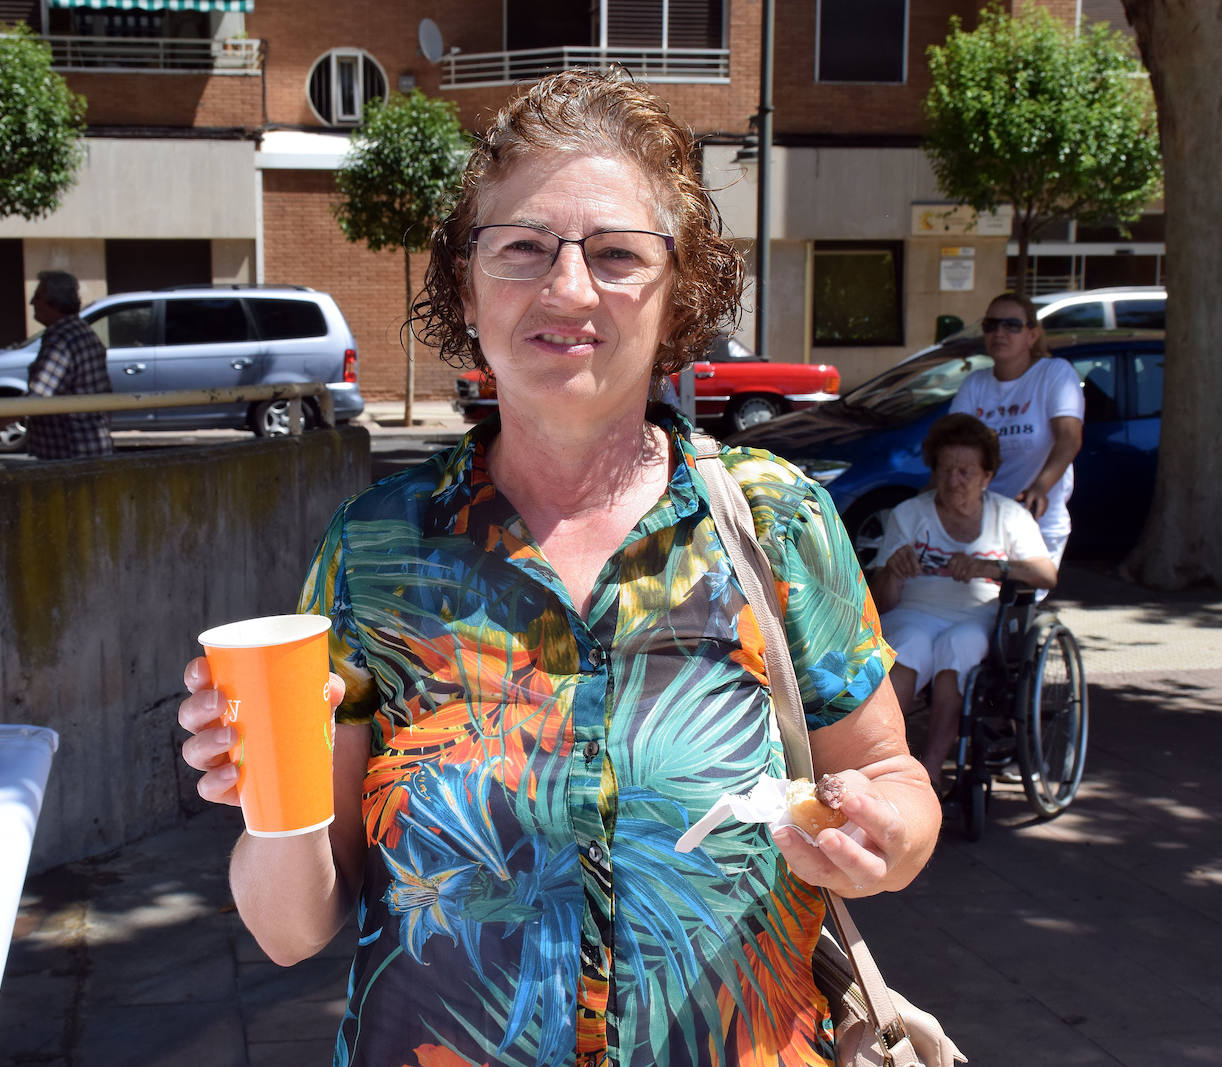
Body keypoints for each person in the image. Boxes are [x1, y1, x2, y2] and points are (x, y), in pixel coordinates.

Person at [179, 69, 939, 1066]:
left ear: (679, 295)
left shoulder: (776, 520)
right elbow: (290, 927)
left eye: (618, 254)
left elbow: (889, 775)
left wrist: (883, 834)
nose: (567, 288)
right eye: (524, 248)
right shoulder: (375, 551)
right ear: (466, 281)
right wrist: (268, 795)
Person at [870, 414, 1057, 791]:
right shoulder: (910, 514)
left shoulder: (1008, 515)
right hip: (915, 610)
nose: (954, 480)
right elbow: (881, 603)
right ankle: (883, 764)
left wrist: (989, 566)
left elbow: (1046, 575)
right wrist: (893, 571)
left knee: (958, 647)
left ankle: (933, 769)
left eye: (966, 472)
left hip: (978, 613)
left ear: (987, 476)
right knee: (906, 645)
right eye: (946, 469)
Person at [949, 292, 1084, 565]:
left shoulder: (1054, 373)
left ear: (1032, 335)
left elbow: (1069, 439)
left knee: (1016, 602)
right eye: (991, 325)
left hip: (1035, 521)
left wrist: (1040, 488)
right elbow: (952, 446)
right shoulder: (975, 384)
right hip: (980, 522)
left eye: (1011, 325)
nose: (1000, 332)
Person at [25, 270, 113, 460]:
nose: (32, 303)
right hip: (90, 447)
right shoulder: (81, 330)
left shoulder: (62, 338)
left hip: (70, 451)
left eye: (37, 297)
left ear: (54, 303)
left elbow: (38, 397)